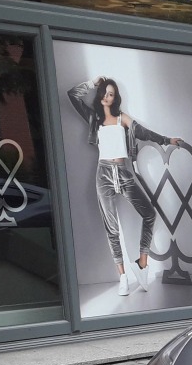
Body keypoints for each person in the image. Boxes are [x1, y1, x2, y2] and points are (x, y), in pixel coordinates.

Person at [67, 76, 180, 295]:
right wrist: (92, 83)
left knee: (149, 214)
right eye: (104, 93)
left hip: (124, 172)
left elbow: (144, 132)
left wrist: (167, 140)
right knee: (112, 229)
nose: (107, 97)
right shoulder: (93, 118)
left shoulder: (122, 119)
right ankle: (123, 277)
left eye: (111, 94)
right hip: (104, 175)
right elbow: (72, 95)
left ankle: (142, 262)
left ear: (115, 98)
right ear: (99, 96)